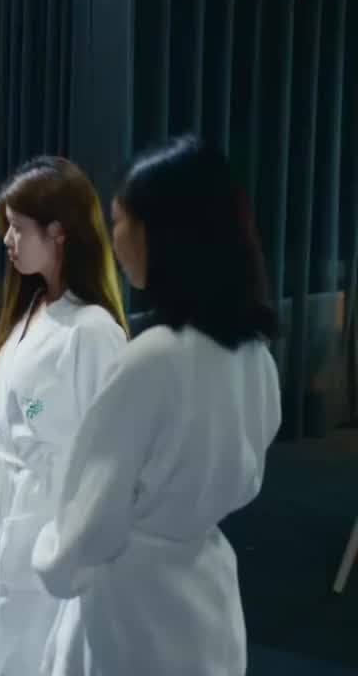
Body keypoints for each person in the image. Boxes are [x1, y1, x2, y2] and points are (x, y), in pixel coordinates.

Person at [32, 136, 281, 676]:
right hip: (206, 592)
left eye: (120, 221)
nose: (115, 239)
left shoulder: (153, 360)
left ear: (161, 233)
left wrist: (51, 554)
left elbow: (92, 516)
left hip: (131, 607)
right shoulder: (252, 355)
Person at [0, 156, 128, 676]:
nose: (7, 241)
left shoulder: (92, 331)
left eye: (17, 228)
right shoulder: (29, 309)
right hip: (1, 497)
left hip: (48, 512)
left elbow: (111, 454)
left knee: (28, 649)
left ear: (58, 233)